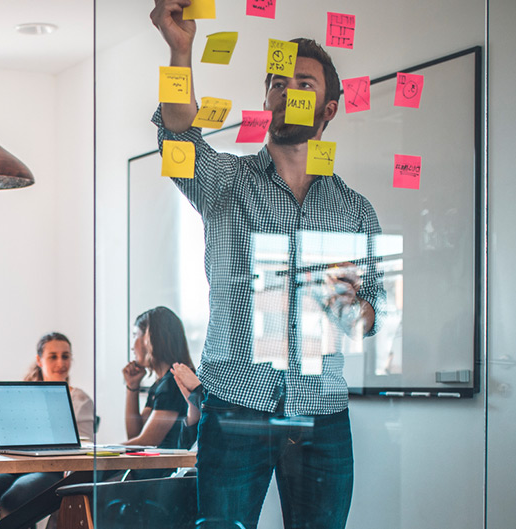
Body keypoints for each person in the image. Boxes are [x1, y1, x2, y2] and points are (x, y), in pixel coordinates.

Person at [149, 1, 387, 527]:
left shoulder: (354, 209)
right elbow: (178, 139)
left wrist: (349, 302)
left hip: (323, 415)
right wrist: (180, 49)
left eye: (302, 82)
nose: (284, 89)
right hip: (235, 409)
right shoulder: (227, 183)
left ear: (328, 110)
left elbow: (373, 324)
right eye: (276, 81)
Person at [0, 332, 95, 516]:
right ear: (39, 360)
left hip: (54, 471)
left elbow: (86, 446)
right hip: (17, 466)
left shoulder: (80, 400)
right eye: (53, 357)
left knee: (11, 502)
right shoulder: (22, 396)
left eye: (65, 356)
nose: (61, 363)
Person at [121, 307, 197, 474]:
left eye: (135, 335)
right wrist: (132, 387)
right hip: (152, 472)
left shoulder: (173, 382)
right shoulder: (161, 384)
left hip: (161, 477)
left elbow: (146, 441)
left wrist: (99, 450)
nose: (132, 346)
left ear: (150, 339)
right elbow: (135, 434)